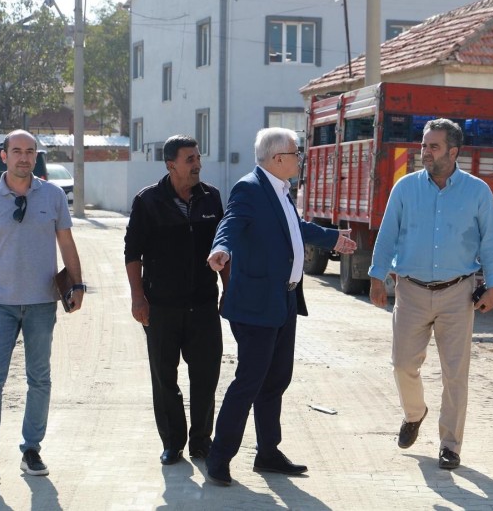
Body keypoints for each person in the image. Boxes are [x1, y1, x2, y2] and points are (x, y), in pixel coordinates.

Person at [204, 127, 356, 486]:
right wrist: (220, 248)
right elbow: (230, 223)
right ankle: (219, 456)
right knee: (249, 381)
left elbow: (294, 228)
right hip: (255, 304)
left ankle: (268, 452)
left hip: (284, 299)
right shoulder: (249, 189)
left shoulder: (281, 189)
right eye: (295, 153)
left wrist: (333, 238)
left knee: (276, 380)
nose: (299, 159)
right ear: (277, 158)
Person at [367, 117, 493, 470]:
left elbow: (490, 240)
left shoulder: (477, 191)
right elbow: (387, 233)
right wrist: (377, 277)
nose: (425, 152)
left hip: (458, 293)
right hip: (410, 291)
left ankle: (450, 445)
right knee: (402, 364)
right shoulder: (405, 188)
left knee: (455, 373)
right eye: (424, 145)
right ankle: (415, 413)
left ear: (453, 152)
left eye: (433, 146)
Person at [0, 130, 84, 483]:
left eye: (30, 151)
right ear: (4, 156)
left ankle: (31, 450)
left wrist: (78, 285)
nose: (24, 157)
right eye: (17, 151)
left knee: (39, 378)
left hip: (42, 303)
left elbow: (67, 243)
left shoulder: (53, 195)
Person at [124, 135, 229, 465]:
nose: (197, 164)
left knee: (206, 376)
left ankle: (201, 441)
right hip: (161, 307)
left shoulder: (211, 198)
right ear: (171, 165)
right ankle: (173, 442)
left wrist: (229, 290)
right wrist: (138, 298)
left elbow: (224, 248)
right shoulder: (148, 201)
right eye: (190, 159)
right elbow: (132, 253)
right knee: (164, 377)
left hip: (203, 305)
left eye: (198, 158)